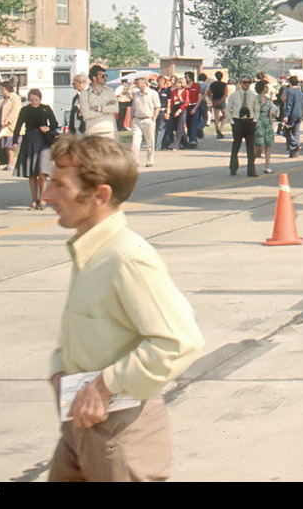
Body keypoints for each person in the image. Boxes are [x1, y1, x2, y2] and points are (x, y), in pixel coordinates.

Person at [45, 134, 202, 482]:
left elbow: (179, 341)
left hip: (119, 432)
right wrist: (59, 371)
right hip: (81, 419)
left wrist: (104, 386)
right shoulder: (91, 252)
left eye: (59, 186)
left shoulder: (126, 256)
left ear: (99, 195)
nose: (46, 196)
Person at [13, 89, 62, 210]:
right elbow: (18, 126)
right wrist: (14, 141)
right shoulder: (25, 110)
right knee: (31, 173)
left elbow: (55, 124)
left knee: (42, 172)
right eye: (31, 100)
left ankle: (42, 198)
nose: (34, 102)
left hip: (43, 141)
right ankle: (34, 198)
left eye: (36, 100)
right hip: (29, 139)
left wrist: (48, 128)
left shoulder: (45, 109)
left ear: (40, 99)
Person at [226, 77, 260, 178]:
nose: (247, 84)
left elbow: (256, 109)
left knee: (250, 148)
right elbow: (228, 109)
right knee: (236, 146)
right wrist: (232, 121)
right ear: (240, 83)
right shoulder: (234, 95)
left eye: (249, 82)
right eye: (245, 82)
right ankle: (233, 167)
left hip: (249, 122)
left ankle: (251, 171)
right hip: (238, 122)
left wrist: (255, 120)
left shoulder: (253, 96)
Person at [77, 65, 121, 139]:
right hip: (92, 131)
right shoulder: (84, 94)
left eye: (106, 76)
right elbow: (86, 114)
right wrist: (107, 110)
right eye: (103, 76)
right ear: (94, 78)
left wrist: (98, 108)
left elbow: (116, 109)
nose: (105, 78)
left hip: (109, 131)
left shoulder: (109, 91)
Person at [0, 79, 22, 173]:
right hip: (2, 127)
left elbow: (15, 111)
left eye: (2, 89)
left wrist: (8, 120)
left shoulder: (15, 98)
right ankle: (8, 162)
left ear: (7, 89)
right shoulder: (2, 99)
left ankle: (11, 163)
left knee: (9, 145)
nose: (1, 91)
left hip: (10, 127)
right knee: (5, 146)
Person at [129, 77, 160, 168]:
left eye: (138, 82)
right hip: (137, 119)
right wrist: (132, 117)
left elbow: (157, 106)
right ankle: (135, 161)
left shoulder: (153, 93)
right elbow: (133, 106)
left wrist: (154, 118)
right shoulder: (136, 93)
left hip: (148, 119)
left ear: (144, 83)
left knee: (150, 140)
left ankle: (150, 160)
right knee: (135, 141)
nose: (136, 84)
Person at [253, 79, 277, 175]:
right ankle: (252, 162)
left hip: (267, 122)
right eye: (266, 87)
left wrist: (274, 113)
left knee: (268, 144)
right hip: (258, 123)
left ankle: (267, 166)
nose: (267, 88)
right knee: (259, 145)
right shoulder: (255, 99)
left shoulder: (268, 100)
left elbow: (273, 110)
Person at [278, 76, 303, 157]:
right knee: (296, 132)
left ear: (290, 82)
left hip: (292, 114)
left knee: (287, 131)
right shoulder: (300, 92)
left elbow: (289, 105)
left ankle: (296, 144)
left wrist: (286, 115)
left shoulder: (290, 92)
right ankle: (295, 151)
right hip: (299, 113)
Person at [208, 71, 228, 139]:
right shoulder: (224, 84)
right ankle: (220, 128)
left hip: (215, 100)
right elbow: (225, 94)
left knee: (217, 117)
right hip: (221, 101)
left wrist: (212, 101)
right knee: (225, 116)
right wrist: (220, 101)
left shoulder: (212, 84)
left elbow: (209, 93)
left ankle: (217, 129)